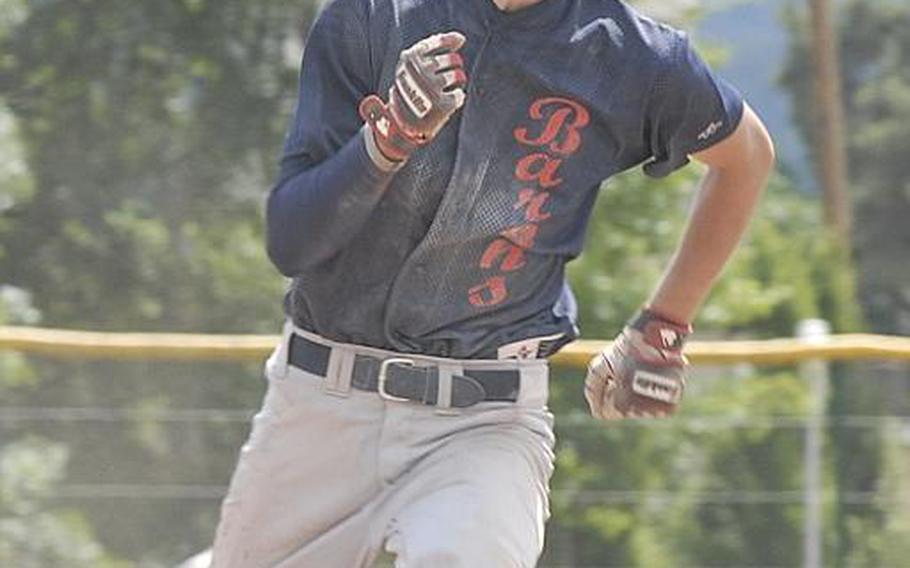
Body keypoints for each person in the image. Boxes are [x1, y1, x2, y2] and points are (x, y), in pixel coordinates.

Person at [210, 0, 775, 566]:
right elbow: (291, 242)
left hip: (482, 423)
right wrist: (386, 142)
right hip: (319, 406)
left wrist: (664, 323)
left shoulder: (634, 56)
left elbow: (745, 155)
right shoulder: (374, 15)